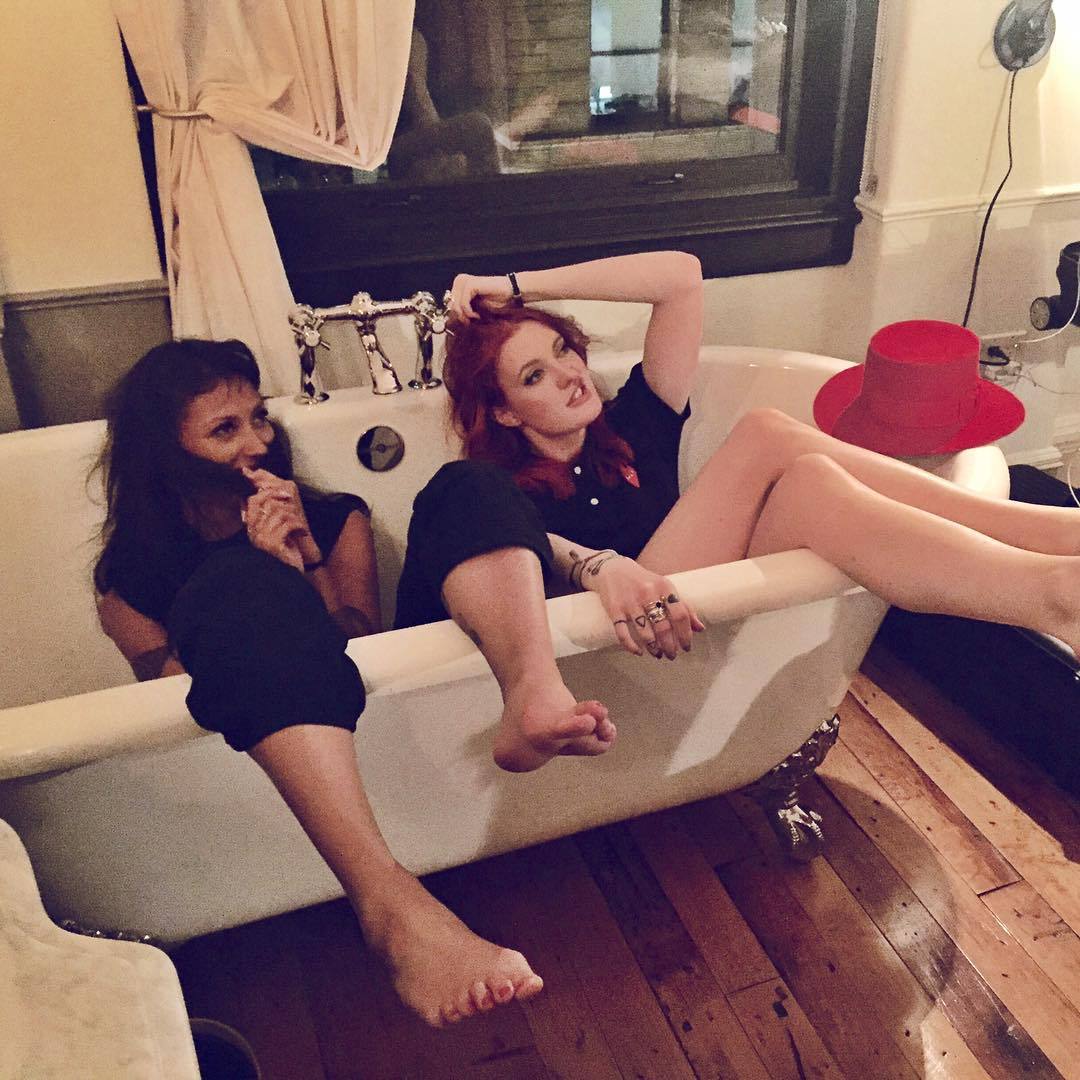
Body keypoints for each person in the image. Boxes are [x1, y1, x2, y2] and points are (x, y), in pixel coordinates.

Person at [395, 250, 1080, 773]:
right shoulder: (493, 494)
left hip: (693, 623)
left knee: (810, 479)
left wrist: (515, 287)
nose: (570, 373)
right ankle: (1048, 548)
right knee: (766, 433)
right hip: (617, 657)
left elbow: (681, 277)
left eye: (562, 349)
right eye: (534, 376)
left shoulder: (634, 425)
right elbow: (502, 540)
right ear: (506, 413)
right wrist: (602, 567)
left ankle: (1054, 587)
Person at [92, 339, 543, 1027]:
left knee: (464, 487)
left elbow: (356, 656)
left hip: (364, 724)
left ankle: (393, 904)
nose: (258, 443)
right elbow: (183, 709)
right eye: (225, 429)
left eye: (259, 417)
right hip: (244, 781)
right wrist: (259, 575)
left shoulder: (334, 520)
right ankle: (389, 903)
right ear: (166, 454)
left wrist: (302, 567)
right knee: (234, 582)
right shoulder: (129, 584)